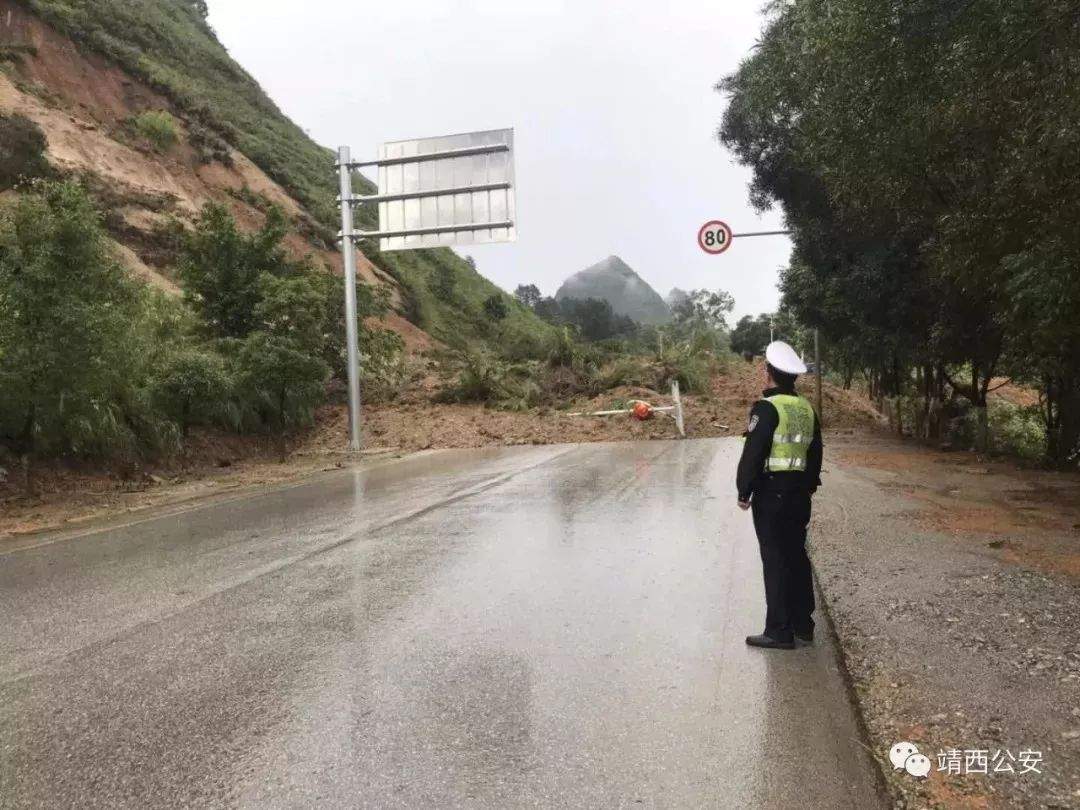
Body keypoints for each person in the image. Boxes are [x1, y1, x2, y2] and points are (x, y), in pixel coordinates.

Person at [736, 341, 823, 650]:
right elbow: (815, 453)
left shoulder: (767, 408)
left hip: (772, 495)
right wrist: (809, 485)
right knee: (797, 556)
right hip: (800, 496)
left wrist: (744, 489)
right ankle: (803, 624)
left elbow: (754, 451)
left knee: (774, 559)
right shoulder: (806, 409)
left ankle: (778, 631)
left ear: (769, 373)